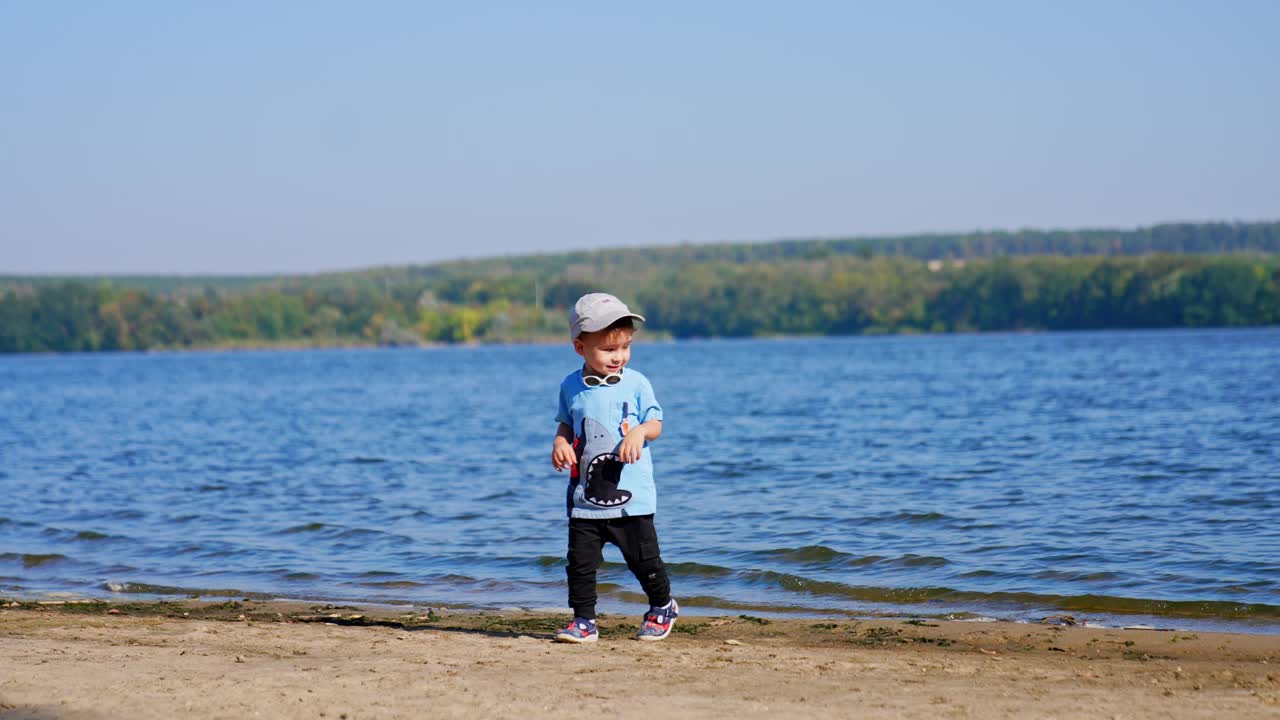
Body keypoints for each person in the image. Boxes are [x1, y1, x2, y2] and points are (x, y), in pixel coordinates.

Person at [550, 293, 678, 643]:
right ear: (580, 348)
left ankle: (662, 605)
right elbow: (565, 424)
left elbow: (656, 424)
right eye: (609, 349)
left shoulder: (636, 383)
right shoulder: (570, 386)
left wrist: (639, 431)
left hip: (632, 498)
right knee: (580, 564)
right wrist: (560, 443)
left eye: (625, 347)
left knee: (643, 559)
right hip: (583, 499)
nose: (618, 356)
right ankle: (584, 621)